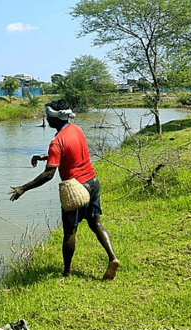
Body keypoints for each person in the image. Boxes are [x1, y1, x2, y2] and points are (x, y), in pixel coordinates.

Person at [9, 99, 119, 279]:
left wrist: (23, 188)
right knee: (96, 223)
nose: (46, 118)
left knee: (70, 231)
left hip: (76, 188)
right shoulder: (76, 129)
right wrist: (47, 156)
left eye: (48, 116)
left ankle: (66, 273)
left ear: (55, 118)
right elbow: (72, 152)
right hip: (92, 181)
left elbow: (48, 175)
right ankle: (112, 258)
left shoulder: (57, 141)